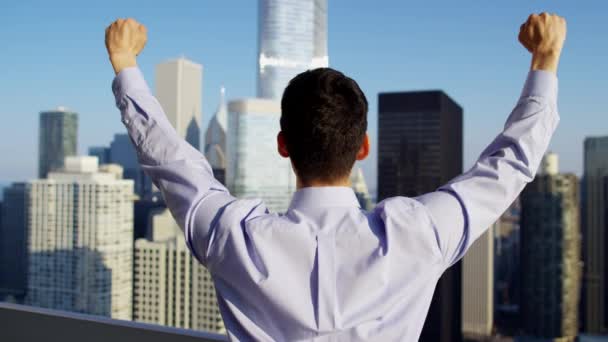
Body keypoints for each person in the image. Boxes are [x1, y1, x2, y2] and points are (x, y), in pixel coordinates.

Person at [105, 12, 566, 341]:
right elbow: (508, 165)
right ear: (363, 149)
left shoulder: (235, 237)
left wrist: (126, 64)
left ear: (282, 146)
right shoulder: (417, 233)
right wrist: (544, 61)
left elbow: (171, 161)